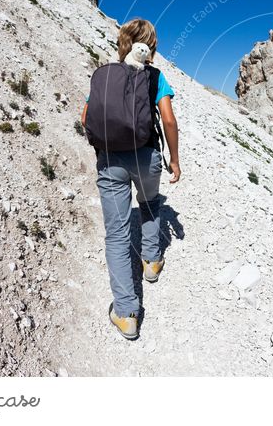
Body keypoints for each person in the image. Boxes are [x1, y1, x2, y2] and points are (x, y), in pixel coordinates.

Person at [90, 19, 181, 340]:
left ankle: (127, 313)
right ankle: (152, 261)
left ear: (122, 42)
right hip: (147, 155)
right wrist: (175, 160)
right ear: (151, 47)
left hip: (111, 159)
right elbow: (168, 120)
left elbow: (87, 115)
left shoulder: (106, 74)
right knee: (151, 204)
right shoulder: (155, 77)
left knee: (116, 235)